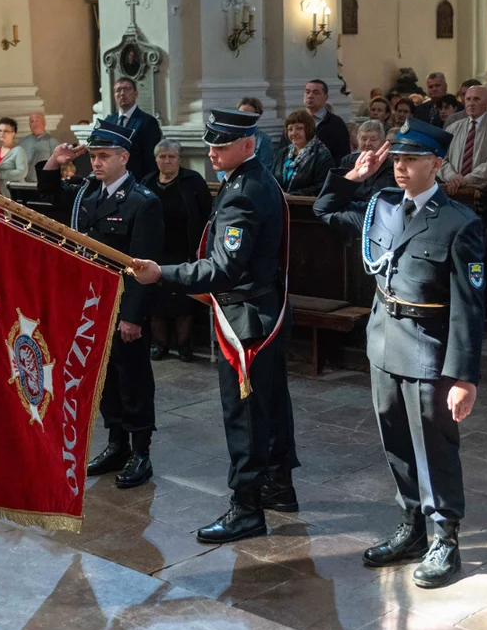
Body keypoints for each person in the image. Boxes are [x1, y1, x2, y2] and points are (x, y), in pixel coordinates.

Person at [313, 118, 485, 589]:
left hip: (429, 350)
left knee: (435, 447)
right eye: (398, 158)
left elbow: (469, 307)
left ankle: (444, 538)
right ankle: (411, 527)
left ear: (436, 164)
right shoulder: (382, 205)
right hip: (384, 341)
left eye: (412, 160)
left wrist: (464, 377)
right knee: (396, 443)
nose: (401, 167)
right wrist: (354, 177)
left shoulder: (459, 223)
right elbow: (327, 212)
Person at [131, 108, 297, 545]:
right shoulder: (253, 180)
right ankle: (279, 486)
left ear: (249, 145)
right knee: (271, 407)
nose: (212, 152)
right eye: (210, 145)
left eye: (221, 146)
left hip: (244, 319)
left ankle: (246, 509)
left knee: (243, 414)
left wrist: (161, 274)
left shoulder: (244, 192)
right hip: (264, 309)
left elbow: (222, 269)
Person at [37, 120, 164, 489]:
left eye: (104, 156)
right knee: (104, 377)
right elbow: (50, 197)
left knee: (133, 379)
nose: (96, 163)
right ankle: (116, 444)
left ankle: (141, 451)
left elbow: (143, 265)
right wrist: (54, 163)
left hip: (123, 307)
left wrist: (132, 316)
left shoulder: (144, 201)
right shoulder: (87, 194)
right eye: (93, 156)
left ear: (124, 158)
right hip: (91, 306)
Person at [141, 139, 212, 363]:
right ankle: (159, 345)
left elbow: (207, 213)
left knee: (184, 302)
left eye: (172, 156)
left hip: (185, 251)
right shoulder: (148, 181)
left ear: (180, 159)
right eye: (162, 156)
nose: (167, 160)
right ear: (156, 160)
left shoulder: (193, 181)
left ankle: (184, 346)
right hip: (155, 252)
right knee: (157, 302)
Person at [438, 85, 487, 193]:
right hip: (454, 191)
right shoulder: (452, 128)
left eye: (476, 99)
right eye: (468, 99)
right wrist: (452, 176)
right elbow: (440, 159)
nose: (471, 103)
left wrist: (467, 179)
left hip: (486, 194)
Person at [105, 77, 163, 180]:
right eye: (118, 90)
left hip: (136, 180)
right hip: (111, 179)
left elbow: (150, 159)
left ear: (135, 94)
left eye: (127, 89)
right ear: (114, 96)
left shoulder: (147, 121)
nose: (122, 93)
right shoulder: (108, 121)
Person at [273, 110, 334, 197]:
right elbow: (272, 179)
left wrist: (292, 195)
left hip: (306, 206)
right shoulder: (282, 153)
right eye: (290, 129)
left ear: (308, 129)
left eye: (299, 128)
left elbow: (322, 185)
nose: (294, 133)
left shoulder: (321, 154)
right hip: (281, 204)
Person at [339, 119, 396, 200]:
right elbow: (337, 191)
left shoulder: (389, 165)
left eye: (373, 140)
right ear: (358, 140)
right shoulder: (347, 161)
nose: (367, 143)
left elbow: (377, 194)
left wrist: (351, 188)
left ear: (382, 142)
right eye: (364, 139)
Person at [303, 79, 351, 160]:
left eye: (316, 93)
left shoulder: (335, 123)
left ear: (326, 98)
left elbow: (342, 155)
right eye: (307, 92)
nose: (310, 96)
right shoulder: (295, 120)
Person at [0, 117, 28, 199]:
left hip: (13, 195)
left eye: (5, 131)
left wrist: (0, 174)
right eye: (0, 130)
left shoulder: (19, 151)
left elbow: (22, 172)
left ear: (13, 133)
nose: (2, 133)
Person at [18, 112, 60, 181]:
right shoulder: (22, 142)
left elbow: (56, 166)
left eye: (37, 121)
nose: (34, 124)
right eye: (31, 121)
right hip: (23, 183)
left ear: (44, 123)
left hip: (44, 182)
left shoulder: (52, 142)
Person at [238, 97, 275, 174]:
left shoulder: (264, 139)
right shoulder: (229, 136)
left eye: (248, 115)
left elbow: (265, 167)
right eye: (240, 114)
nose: (243, 117)